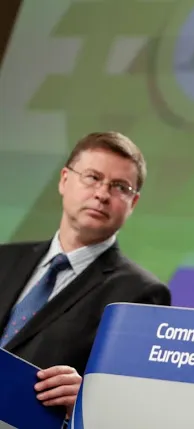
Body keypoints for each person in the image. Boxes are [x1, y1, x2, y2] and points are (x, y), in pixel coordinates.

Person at [0, 131, 171, 421]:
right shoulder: (5, 258)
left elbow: (132, 404)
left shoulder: (142, 294)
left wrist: (88, 402)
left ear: (133, 203)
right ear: (64, 180)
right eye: (92, 177)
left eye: (120, 187)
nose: (102, 194)